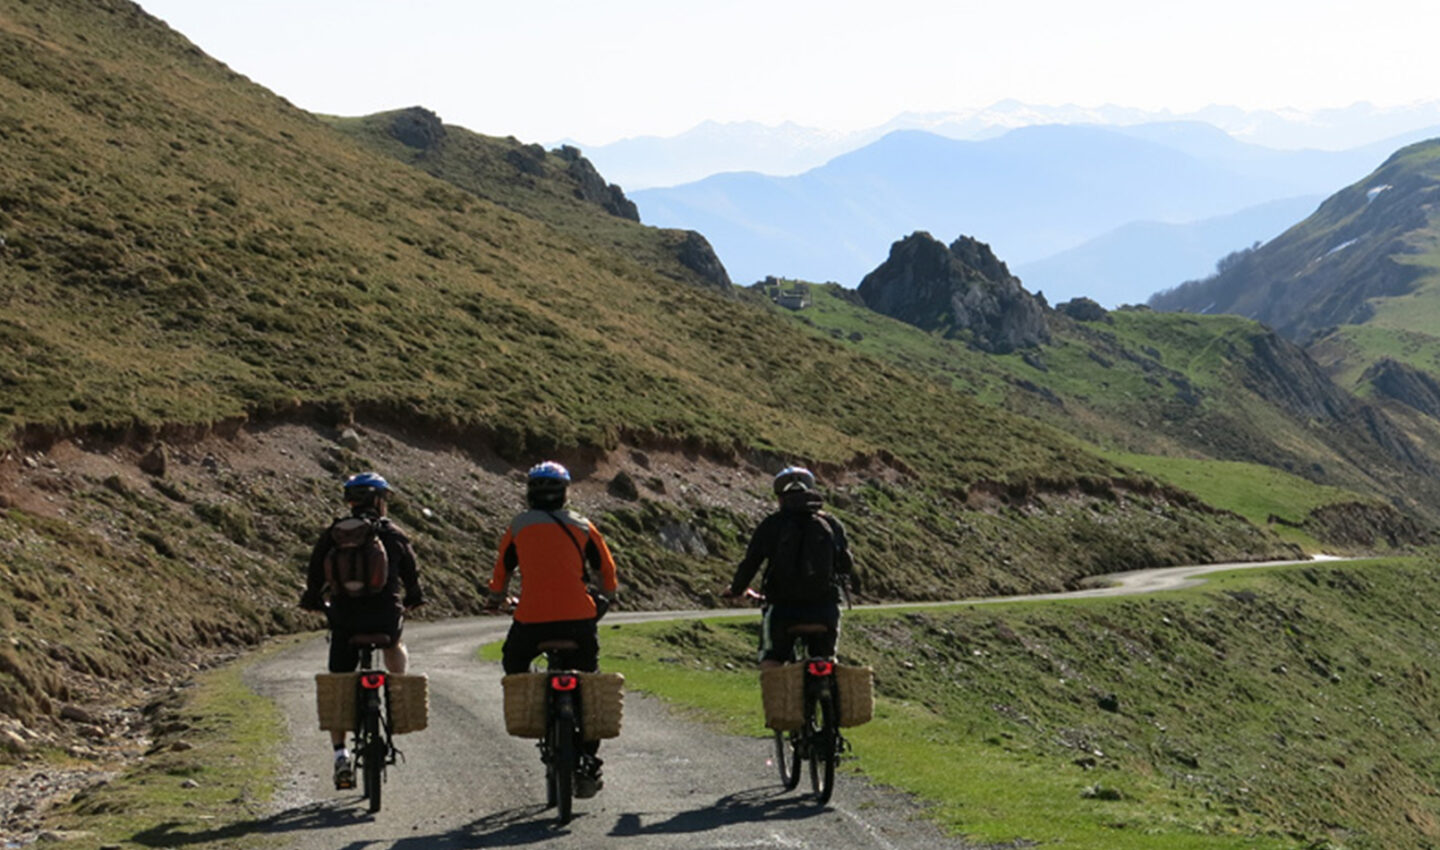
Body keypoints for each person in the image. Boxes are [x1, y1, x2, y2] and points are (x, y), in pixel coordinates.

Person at [486, 461, 619, 798]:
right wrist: (607, 596)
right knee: (589, 684)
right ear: (565, 493)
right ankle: (588, 757)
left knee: (514, 665)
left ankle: (537, 711)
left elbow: (501, 571)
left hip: (530, 619)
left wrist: (495, 599)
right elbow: (607, 569)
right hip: (579, 620)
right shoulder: (584, 526)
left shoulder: (518, 527)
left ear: (530, 492)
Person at [300, 471, 424, 790]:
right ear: (380, 501)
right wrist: (413, 598)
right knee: (395, 644)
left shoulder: (333, 534)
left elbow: (314, 576)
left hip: (345, 620)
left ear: (351, 501)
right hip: (384, 618)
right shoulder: (393, 533)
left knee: (339, 683)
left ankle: (341, 755)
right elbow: (412, 576)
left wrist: (314, 600)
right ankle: (397, 695)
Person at [721, 466, 857, 668]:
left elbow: (751, 563)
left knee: (771, 660)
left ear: (780, 497)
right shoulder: (831, 523)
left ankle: (778, 696)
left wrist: (736, 590)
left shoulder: (771, 524)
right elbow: (846, 565)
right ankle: (830, 688)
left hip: (783, 609)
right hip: (824, 608)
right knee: (827, 660)